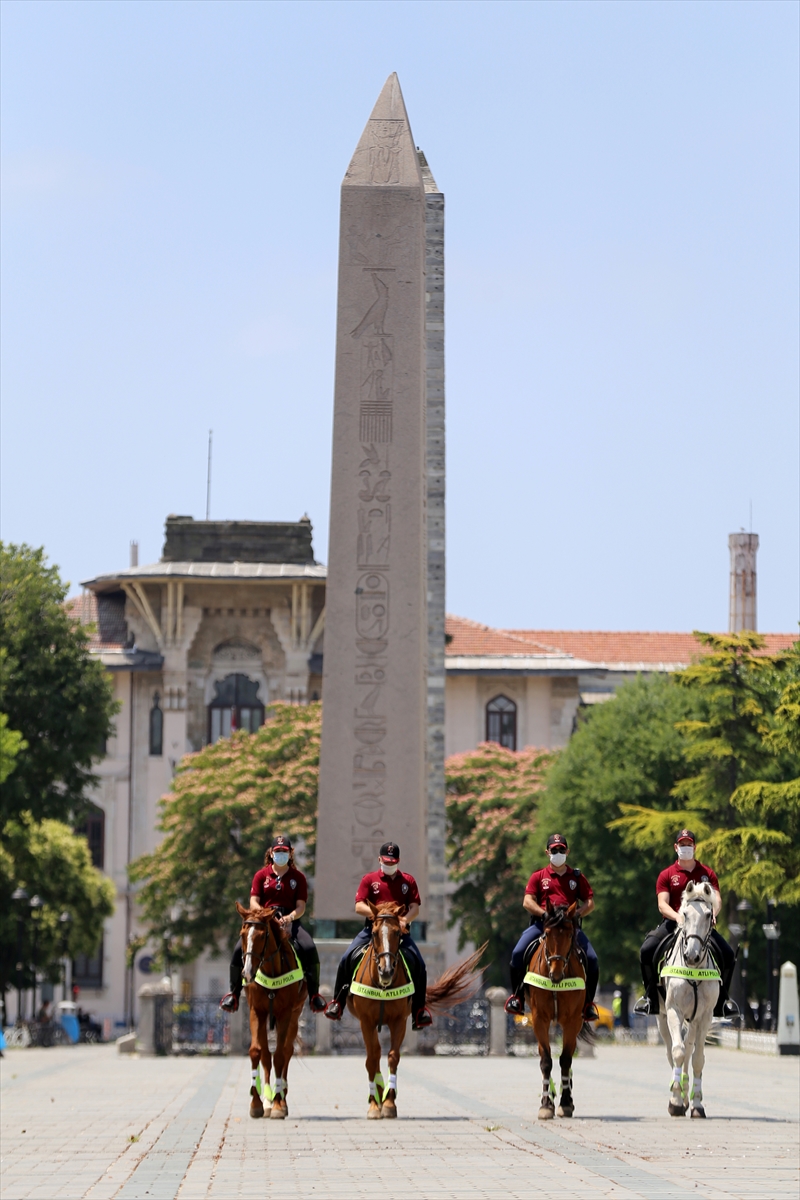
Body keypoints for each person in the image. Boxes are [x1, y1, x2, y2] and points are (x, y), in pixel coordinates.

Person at [324, 841, 433, 1030]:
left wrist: (405, 920)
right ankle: (338, 1002)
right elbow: (359, 905)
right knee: (346, 958)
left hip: (398, 931)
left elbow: (415, 907)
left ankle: (419, 1010)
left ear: (398, 861)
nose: (389, 865)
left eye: (393, 862)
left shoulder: (408, 881)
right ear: (379, 860)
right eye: (386, 862)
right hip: (372, 930)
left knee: (420, 964)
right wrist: (376, 915)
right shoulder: (369, 879)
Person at [634, 829, 738, 1018]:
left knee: (728, 955)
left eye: (689, 844)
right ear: (676, 847)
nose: (686, 847)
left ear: (695, 847)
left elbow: (718, 899)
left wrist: (713, 913)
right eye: (682, 845)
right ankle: (650, 997)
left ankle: (723, 1001)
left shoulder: (708, 873)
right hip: (674, 924)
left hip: (701, 926)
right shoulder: (667, 874)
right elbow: (662, 904)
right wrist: (678, 917)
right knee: (647, 950)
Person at [220, 834, 326, 1014]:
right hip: (264, 920)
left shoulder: (298, 877)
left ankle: (314, 995)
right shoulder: (261, 875)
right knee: (239, 949)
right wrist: (263, 914)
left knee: (309, 947)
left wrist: (289, 917)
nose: (281, 854)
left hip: (289, 920)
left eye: (284, 851)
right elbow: (253, 901)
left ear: (290, 853)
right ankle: (234, 994)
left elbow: (301, 906)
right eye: (278, 851)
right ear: (271, 853)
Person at [504, 833, 599, 1021]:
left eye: (561, 849)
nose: (558, 852)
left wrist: (576, 914)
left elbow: (590, 903)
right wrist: (544, 914)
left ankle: (587, 1004)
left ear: (567, 851)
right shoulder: (538, 876)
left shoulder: (577, 877)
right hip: (543, 925)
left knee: (592, 959)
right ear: (547, 852)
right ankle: (518, 998)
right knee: (517, 953)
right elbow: (527, 901)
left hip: (569, 927)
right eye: (554, 850)